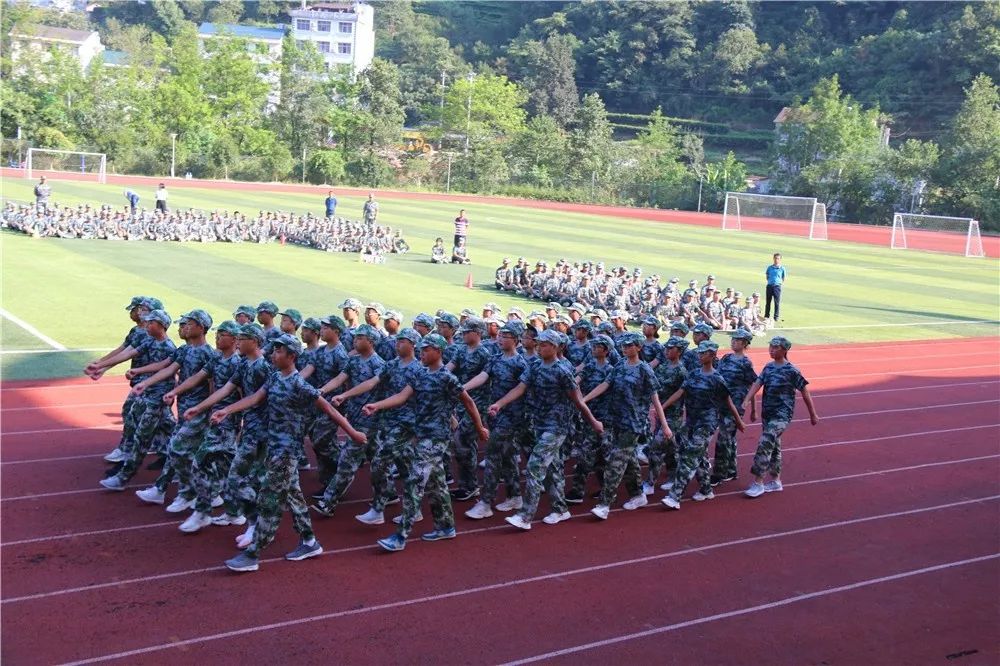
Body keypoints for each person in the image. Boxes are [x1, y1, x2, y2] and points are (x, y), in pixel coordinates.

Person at [214, 334, 367, 573]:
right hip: (274, 447)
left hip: (287, 451)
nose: (273, 354)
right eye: (273, 350)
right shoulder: (274, 378)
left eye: (278, 351)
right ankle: (309, 542)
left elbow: (328, 409)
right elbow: (255, 398)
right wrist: (227, 410)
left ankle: (253, 553)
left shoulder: (299, 385)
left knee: (269, 500)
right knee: (294, 497)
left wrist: (354, 432)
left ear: (292, 356)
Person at [364, 333, 489, 552]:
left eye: (426, 349)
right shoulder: (419, 374)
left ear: (438, 352)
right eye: (420, 349)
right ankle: (446, 526)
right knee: (436, 484)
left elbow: (468, 403)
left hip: (436, 438)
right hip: (421, 434)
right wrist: (378, 405)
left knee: (415, 481)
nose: (421, 353)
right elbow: (402, 396)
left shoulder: (446, 378)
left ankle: (401, 535)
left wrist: (479, 428)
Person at [489, 329, 604, 530]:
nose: (540, 347)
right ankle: (560, 509)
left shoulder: (563, 371)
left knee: (535, 465)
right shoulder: (534, 365)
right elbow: (520, 388)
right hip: (539, 423)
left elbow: (578, 401)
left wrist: (594, 422)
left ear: (556, 347)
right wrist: (500, 403)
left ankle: (525, 516)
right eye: (539, 344)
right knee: (553, 468)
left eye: (544, 344)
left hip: (557, 426)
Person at [584, 332, 670, 519]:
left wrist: (664, 425)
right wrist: (584, 399)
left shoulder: (644, 369)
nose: (625, 348)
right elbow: (605, 385)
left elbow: (655, 398)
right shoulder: (620, 366)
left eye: (630, 345)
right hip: (616, 420)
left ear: (638, 347)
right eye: (623, 345)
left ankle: (605, 504)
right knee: (629, 461)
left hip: (633, 424)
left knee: (615, 463)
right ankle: (638, 495)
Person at [660, 340, 745, 510]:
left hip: (707, 424)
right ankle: (706, 489)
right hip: (691, 421)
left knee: (689, 456)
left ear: (713, 356)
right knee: (696, 455)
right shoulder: (693, 374)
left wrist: (739, 421)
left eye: (704, 353)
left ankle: (675, 496)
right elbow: (680, 392)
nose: (700, 355)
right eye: (699, 352)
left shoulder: (717, 379)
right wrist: (662, 406)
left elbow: (728, 402)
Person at [742, 336, 818, 498]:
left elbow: (804, 391)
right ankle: (775, 481)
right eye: (770, 346)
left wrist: (813, 414)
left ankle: (758, 482)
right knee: (774, 447)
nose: (771, 349)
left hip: (782, 415)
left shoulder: (791, 370)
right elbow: (757, 384)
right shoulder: (768, 368)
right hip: (767, 413)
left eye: (775, 347)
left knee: (765, 441)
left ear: (784, 350)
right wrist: (747, 400)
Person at [712, 328, 757, 486]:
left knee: (723, 438)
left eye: (737, 340)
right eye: (733, 339)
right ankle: (731, 470)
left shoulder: (746, 363)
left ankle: (718, 473)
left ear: (745, 343)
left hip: (736, 406)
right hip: (722, 403)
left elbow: (753, 385)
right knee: (729, 438)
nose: (733, 342)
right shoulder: (726, 358)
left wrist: (752, 408)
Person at [765, 253, 786, 321]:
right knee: (768, 302)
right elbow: (767, 276)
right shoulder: (769, 267)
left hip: (777, 287)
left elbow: (783, 278)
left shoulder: (782, 268)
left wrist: (778, 283)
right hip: (769, 286)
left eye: (778, 258)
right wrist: (771, 282)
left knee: (776, 302)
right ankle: (766, 315)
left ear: (780, 260)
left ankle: (776, 316)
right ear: (773, 259)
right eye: (775, 258)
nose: (776, 260)